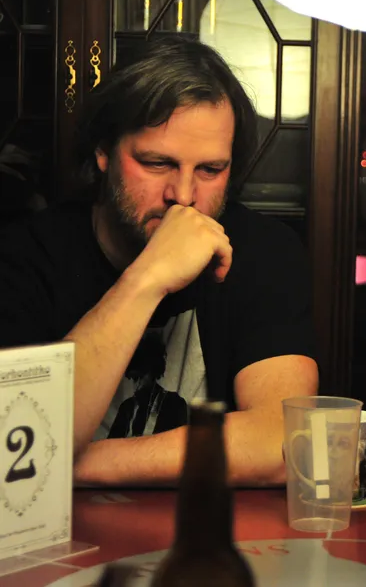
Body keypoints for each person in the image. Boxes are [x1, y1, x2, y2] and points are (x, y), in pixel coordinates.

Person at [0, 37, 318, 487]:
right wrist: (147, 278)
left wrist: (70, 463)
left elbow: (281, 443)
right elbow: (16, 435)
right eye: (156, 163)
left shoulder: (263, 250)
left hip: (208, 530)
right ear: (104, 151)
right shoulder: (27, 255)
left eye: (210, 170)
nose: (183, 196)